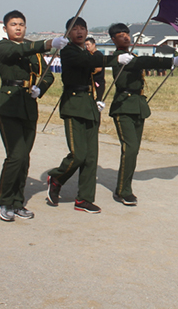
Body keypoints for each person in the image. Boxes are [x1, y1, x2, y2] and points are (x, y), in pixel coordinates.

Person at [46, 18, 133, 214]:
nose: (79, 32)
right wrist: (114, 59)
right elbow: (88, 61)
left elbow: (97, 75)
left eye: (82, 28)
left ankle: (84, 198)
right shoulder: (68, 51)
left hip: (89, 105)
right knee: (78, 154)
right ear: (67, 33)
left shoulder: (88, 53)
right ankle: (57, 177)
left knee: (91, 156)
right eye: (74, 29)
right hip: (73, 104)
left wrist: (99, 98)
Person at [0, 10, 66, 222]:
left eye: (21, 24)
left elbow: (48, 74)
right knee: (16, 155)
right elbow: (21, 50)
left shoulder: (33, 51)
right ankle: (4, 199)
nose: (18, 27)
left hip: (28, 105)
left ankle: (17, 201)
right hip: (8, 104)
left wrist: (40, 89)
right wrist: (49, 43)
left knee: (24, 158)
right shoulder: (3, 46)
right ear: (5, 28)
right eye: (13, 24)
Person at [108, 23, 178, 206]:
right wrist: (169, 62)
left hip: (137, 105)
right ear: (113, 40)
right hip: (124, 106)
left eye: (127, 34)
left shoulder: (130, 55)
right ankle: (122, 191)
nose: (126, 37)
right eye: (120, 35)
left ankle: (125, 187)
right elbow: (141, 62)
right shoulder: (120, 57)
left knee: (134, 151)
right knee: (130, 149)